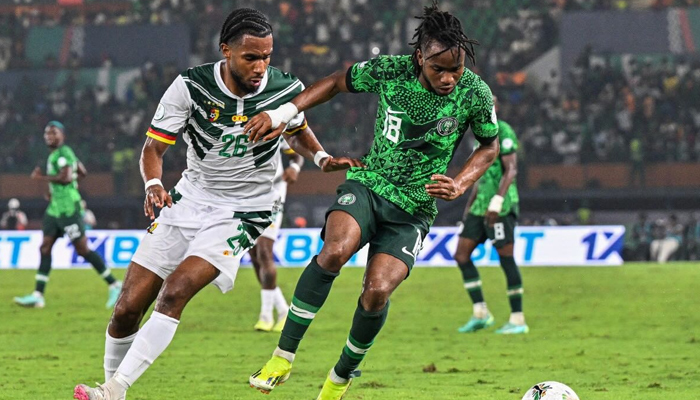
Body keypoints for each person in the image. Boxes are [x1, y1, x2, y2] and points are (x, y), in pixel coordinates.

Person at [73, 8, 360, 400]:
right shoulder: (190, 87)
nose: (261, 66)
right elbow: (153, 148)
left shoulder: (285, 88)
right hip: (188, 199)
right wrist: (154, 184)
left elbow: (298, 130)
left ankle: (112, 390)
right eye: (251, 57)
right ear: (226, 50)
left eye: (267, 57)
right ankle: (113, 389)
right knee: (126, 308)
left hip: (244, 210)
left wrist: (322, 159)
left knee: (174, 292)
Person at [246, 3, 499, 398]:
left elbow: (489, 146)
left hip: (414, 209)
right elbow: (334, 82)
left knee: (377, 291)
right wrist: (284, 113)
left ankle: (340, 377)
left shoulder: (475, 93)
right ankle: (283, 356)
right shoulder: (391, 70)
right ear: (420, 58)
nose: (449, 78)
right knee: (334, 252)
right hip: (369, 183)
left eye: (456, 68)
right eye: (439, 69)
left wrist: (461, 182)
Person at [13, 121, 122, 310]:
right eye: (47, 133)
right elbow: (81, 172)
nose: (49, 136)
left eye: (53, 133)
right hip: (54, 209)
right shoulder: (57, 154)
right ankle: (38, 296)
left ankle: (115, 284)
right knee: (45, 247)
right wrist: (58, 188)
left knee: (82, 250)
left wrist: (43, 179)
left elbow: (64, 177)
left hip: (68, 209)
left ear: (62, 135)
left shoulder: (64, 153)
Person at [453, 97, 527, 335]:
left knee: (506, 258)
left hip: (501, 207)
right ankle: (481, 313)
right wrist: (468, 209)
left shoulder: (503, 130)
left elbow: (511, 170)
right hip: (479, 206)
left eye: (491, 103)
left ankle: (517, 319)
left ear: (497, 106)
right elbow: (478, 175)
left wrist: (496, 202)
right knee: (461, 255)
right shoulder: (478, 136)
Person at [250, 141, 303, 332]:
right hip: (247, 196)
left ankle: (265, 316)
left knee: (264, 252)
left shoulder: (274, 126)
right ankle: (283, 311)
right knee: (255, 256)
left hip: (273, 194)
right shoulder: (236, 125)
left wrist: (294, 167)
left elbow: (297, 153)